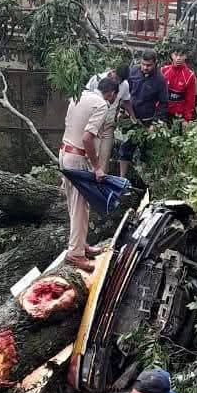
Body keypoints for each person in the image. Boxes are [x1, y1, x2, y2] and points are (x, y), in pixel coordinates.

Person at [60, 76, 119, 273]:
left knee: (75, 205)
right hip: (78, 158)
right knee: (80, 206)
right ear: (112, 93)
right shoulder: (101, 105)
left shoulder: (79, 95)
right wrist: (97, 167)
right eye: (114, 97)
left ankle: (80, 244)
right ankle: (75, 254)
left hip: (65, 153)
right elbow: (87, 138)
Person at [118, 50, 169, 179]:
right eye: (143, 64)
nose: (145, 67)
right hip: (130, 118)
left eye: (149, 65)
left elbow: (163, 103)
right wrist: (122, 110)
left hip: (147, 122)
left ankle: (145, 181)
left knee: (146, 153)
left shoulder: (160, 80)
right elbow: (125, 92)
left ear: (155, 63)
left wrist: (155, 124)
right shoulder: (133, 72)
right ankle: (122, 178)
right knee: (125, 149)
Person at [86, 65, 135, 173]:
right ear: (113, 71)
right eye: (116, 78)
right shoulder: (97, 79)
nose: (117, 82)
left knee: (105, 155)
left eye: (120, 81)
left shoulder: (124, 85)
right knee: (92, 154)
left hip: (109, 123)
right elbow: (86, 97)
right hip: (94, 123)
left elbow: (126, 101)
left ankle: (100, 179)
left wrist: (133, 117)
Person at [162, 47, 197, 124]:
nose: (178, 58)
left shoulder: (190, 76)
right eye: (176, 55)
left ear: (185, 56)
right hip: (162, 113)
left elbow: (190, 99)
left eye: (181, 55)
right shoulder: (163, 71)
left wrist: (187, 119)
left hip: (178, 116)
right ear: (171, 55)